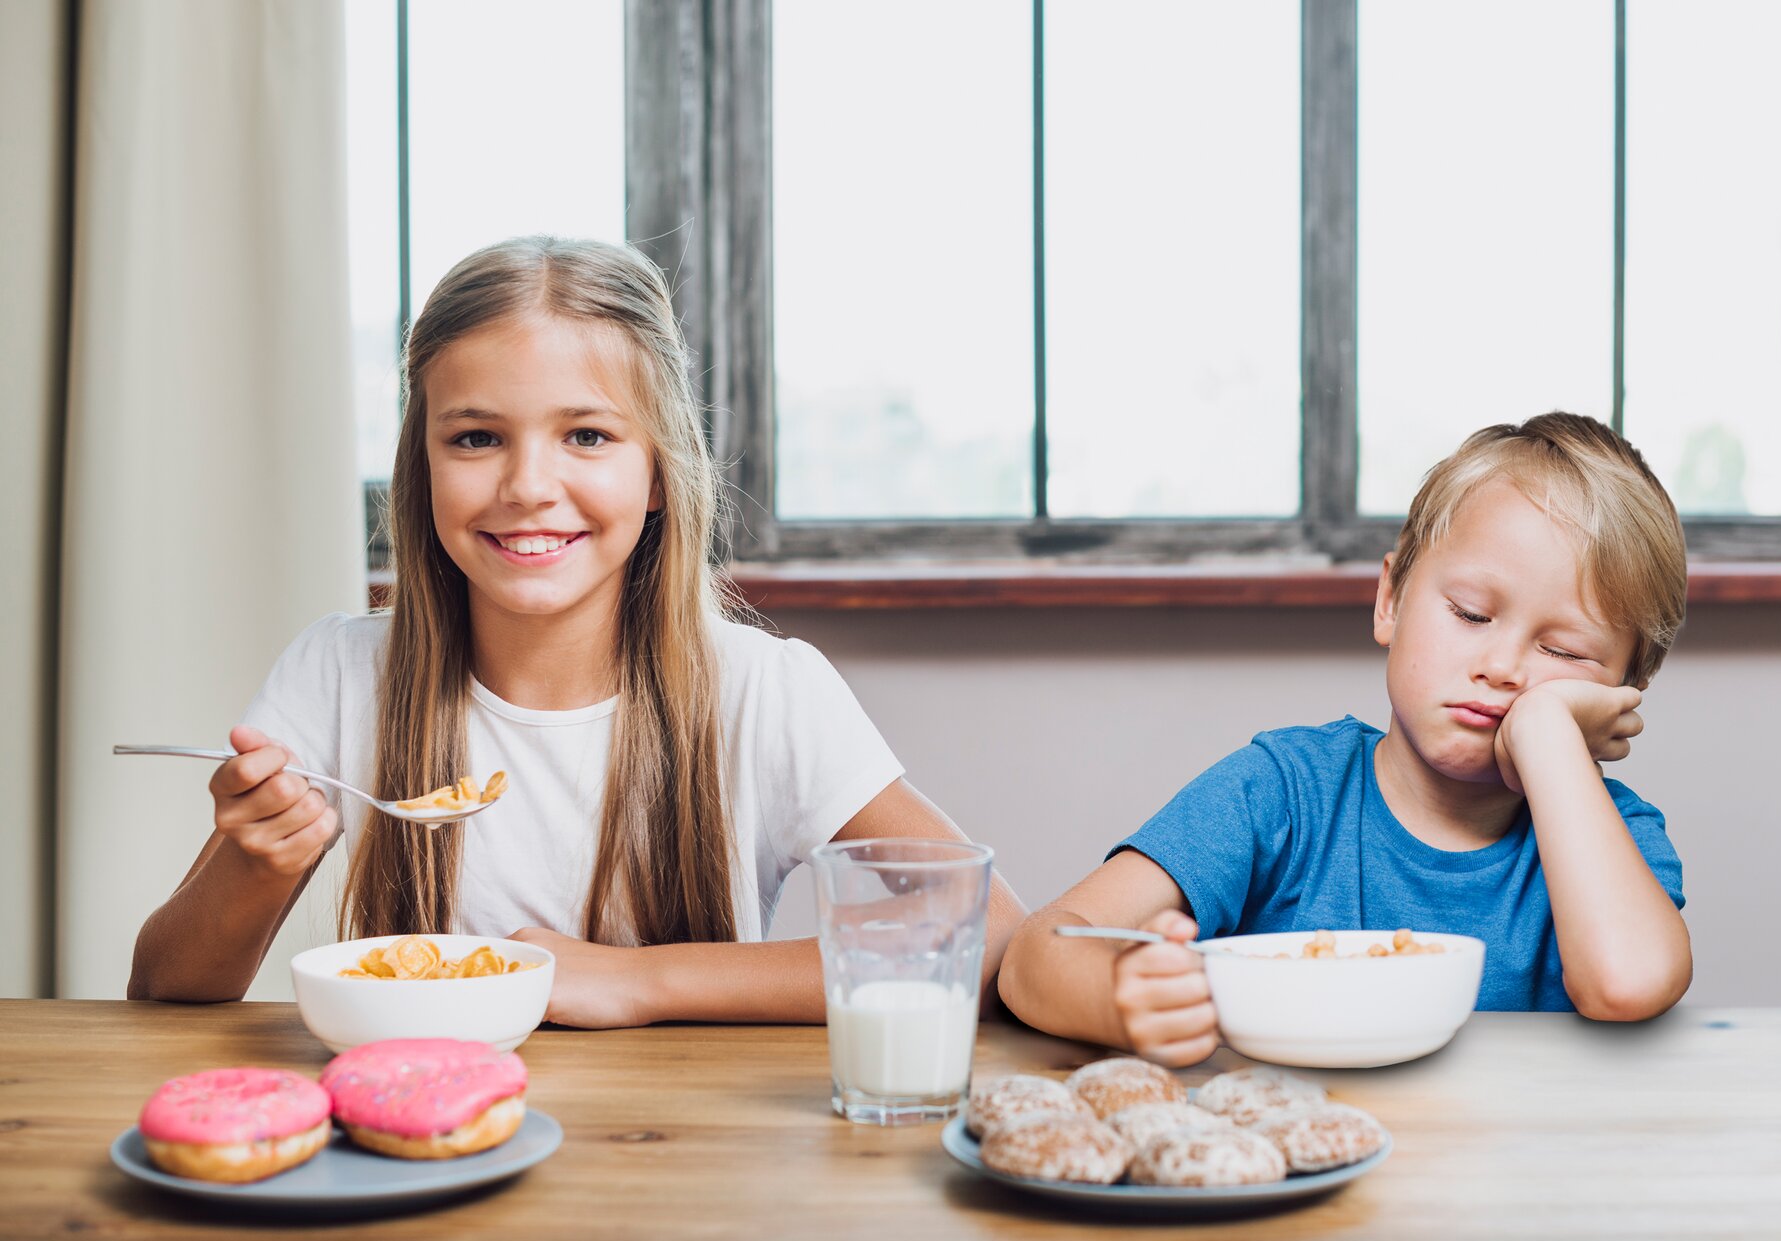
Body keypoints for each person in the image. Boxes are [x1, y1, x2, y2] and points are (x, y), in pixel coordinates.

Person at [128, 236, 1025, 1025]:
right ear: (422, 468)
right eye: (476, 438)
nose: (526, 485)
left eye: (587, 436)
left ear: (662, 472)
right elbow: (168, 989)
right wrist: (255, 861)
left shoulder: (764, 691)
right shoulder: (338, 672)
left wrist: (641, 983)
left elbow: (985, 938)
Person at [998, 413, 1692, 1065]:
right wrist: (1121, 996)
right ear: (1390, 599)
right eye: (1471, 613)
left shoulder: (1615, 835)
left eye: (1564, 652)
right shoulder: (1283, 791)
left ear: (1624, 690)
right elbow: (1033, 959)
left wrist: (1545, 734)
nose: (1502, 668)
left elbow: (1627, 985)